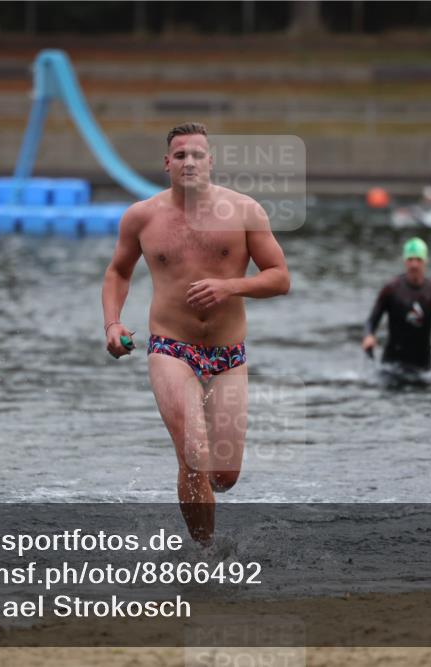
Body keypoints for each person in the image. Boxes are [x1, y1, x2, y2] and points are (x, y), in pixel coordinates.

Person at [102, 122, 290, 544]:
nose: (189, 162)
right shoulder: (142, 217)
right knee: (194, 454)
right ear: (167, 163)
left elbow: (280, 278)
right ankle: (204, 556)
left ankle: (200, 513)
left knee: (223, 474)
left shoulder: (244, 211)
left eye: (198, 155)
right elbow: (118, 271)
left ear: (211, 162)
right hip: (170, 347)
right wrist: (112, 323)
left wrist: (231, 286)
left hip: (228, 354)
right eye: (181, 155)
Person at [361, 237, 431, 377]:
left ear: (425, 262)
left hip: (423, 368)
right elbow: (371, 322)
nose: (414, 265)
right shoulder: (391, 289)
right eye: (410, 259)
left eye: (418, 260)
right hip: (392, 367)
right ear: (404, 261)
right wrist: (368, 336)